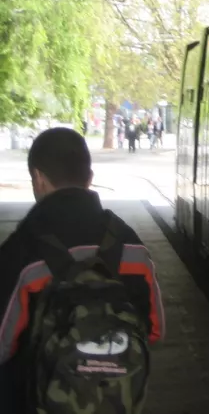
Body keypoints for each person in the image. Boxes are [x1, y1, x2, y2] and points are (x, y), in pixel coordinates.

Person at [0, 127, 164, 413]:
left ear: (38, 178)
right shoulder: (131, 245)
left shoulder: (21, 251)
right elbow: (154, 330)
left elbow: (3, 344)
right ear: (90, 179)